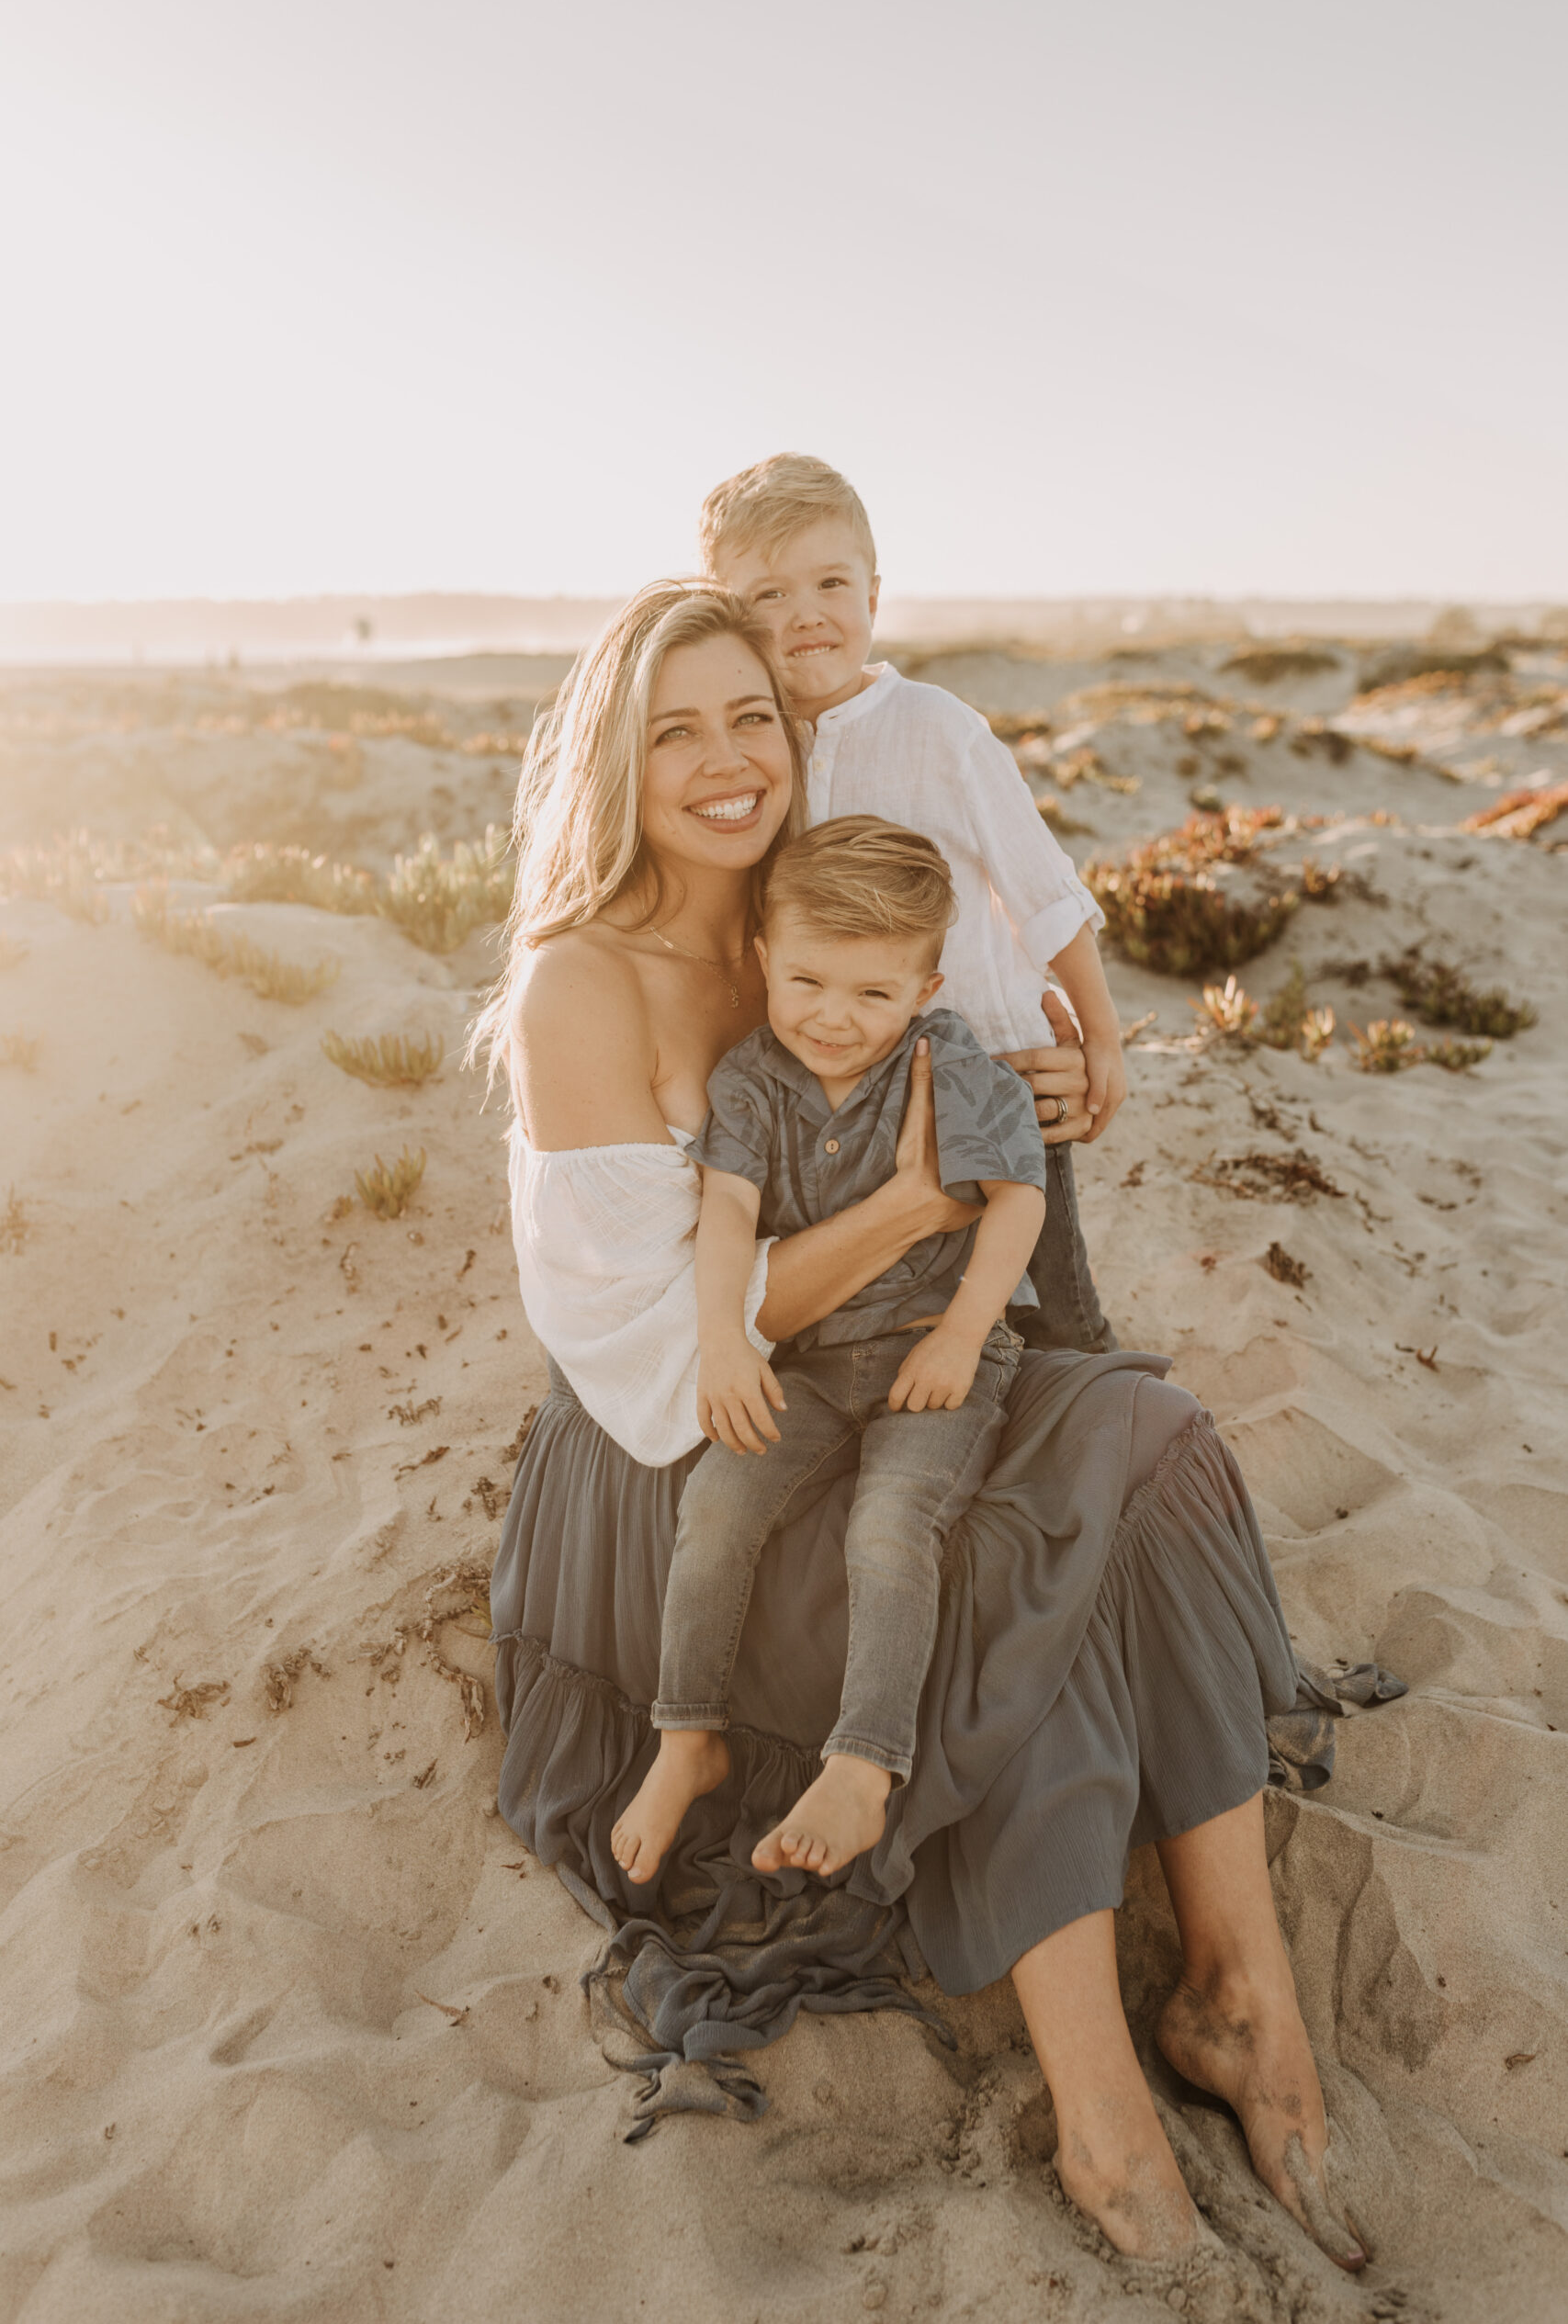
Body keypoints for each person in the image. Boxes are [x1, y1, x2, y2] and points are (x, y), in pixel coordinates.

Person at [468, 578, 1368, 2271]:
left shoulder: (818, 912)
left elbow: (972, 1062)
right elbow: (660, 1349)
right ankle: (1103, 2121)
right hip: (683, 1458)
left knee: (1154, 1445)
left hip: (874, 1370)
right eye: (677, 730)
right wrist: (901, 1208)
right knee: (995, 1584)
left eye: (755, 718)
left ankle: (1243, 1998)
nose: (730, 760)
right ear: (612, 763)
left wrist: (1060, 1084)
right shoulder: (577, 990)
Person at [612, 820, 1047, 1886]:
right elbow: (725, 1212)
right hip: (805, 1362)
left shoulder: (950, 1066)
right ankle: (688, 1737)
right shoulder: (753, 1080)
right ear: (765, 957)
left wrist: (963, 1329)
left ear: (924, 985)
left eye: (873, 995)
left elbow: (1018, 1198)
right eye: (807, 981)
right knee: (717, 1502)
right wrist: (723, 1341)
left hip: (932, 1353)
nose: (834, 1019)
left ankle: (863, 1763)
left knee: (891, 1524)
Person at [700, 450, 1122, 1355]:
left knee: (1056, 1295)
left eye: (831, 582)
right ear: (729, 617)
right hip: (861, 1075)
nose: (805, 612)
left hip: (1002, 1062)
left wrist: (1101, 1034)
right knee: (926, 1297)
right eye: (768, 596)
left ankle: (1095, 1399)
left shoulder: (937, 727)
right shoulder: (759, 755)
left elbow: (1041, 888)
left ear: (875, 596)